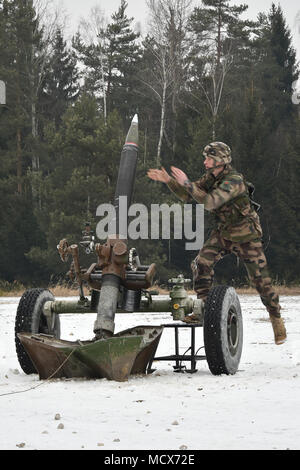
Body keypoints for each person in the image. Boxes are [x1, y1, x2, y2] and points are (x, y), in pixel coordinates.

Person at [147, 142, 287, 345]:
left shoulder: (234, 181)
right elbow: (188, 195)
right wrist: (169, 181)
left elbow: (211, 202)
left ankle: (276, 317)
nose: (204, 162)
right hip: (223, 232)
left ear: (220, 161)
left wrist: (187, 182)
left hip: (246, 236)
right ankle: (205, 309)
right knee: (200, 264)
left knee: (261, 282)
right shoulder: (211, 177)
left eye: (208, 158)